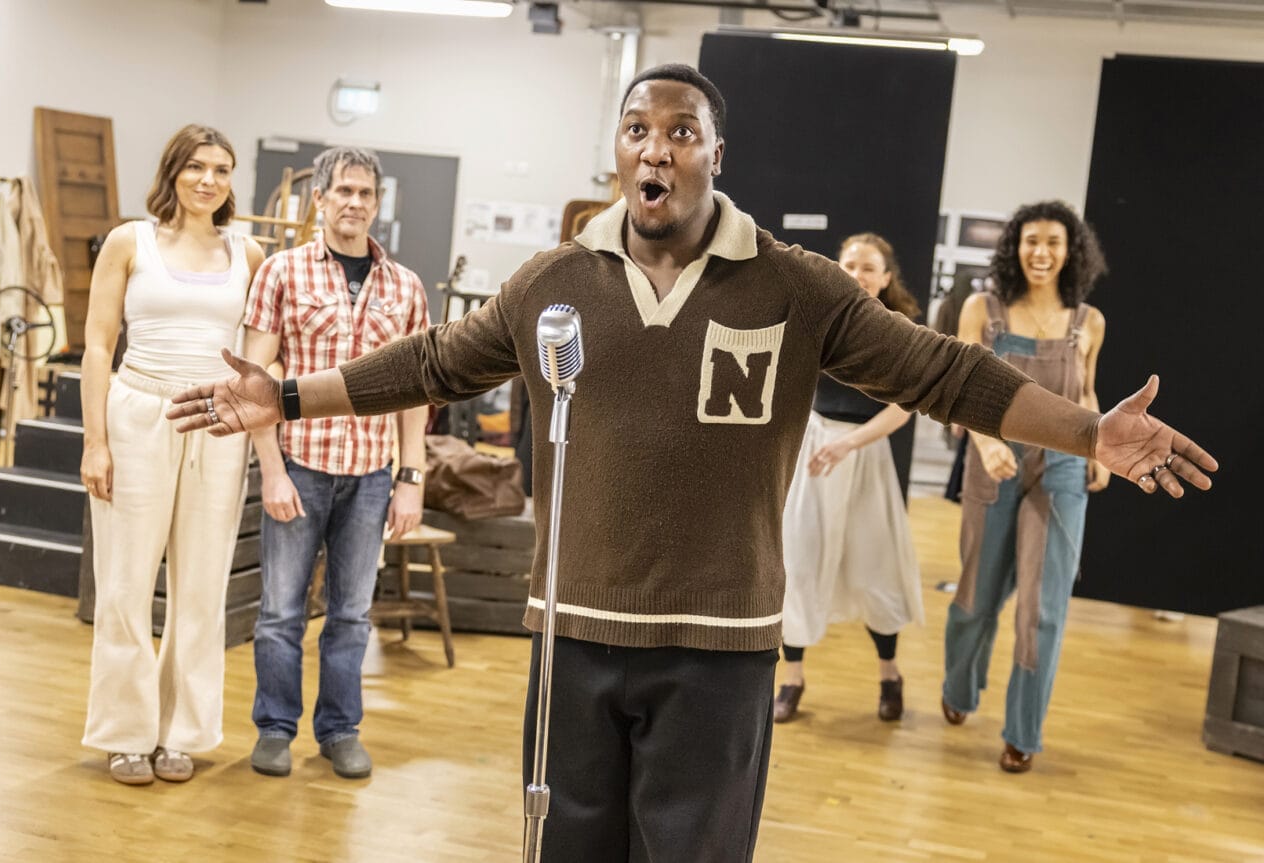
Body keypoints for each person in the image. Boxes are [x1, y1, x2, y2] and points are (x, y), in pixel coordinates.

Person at [168, 67, 1215, 860]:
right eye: (635, 130)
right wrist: (290, 393)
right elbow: (436, 358)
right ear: (615, 155)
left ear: (716, 154)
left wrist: (1085, 432)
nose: (654, 147)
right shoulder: (554, 281)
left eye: (680, 132)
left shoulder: (795, 288)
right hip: (572, 632)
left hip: (718, 646)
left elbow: (947, 372)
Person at [80, 125, 263, 785]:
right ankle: (125, 733)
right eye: (195, 167)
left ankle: (181, 729)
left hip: (216, 428)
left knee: (201, 584)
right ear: (173, 172)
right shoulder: (130, 241)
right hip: (137, 416)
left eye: (220, 168)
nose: (208, 180)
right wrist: (95, 441)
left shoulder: (249, 253)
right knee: (126, 583)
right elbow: (99, 345)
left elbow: (256, 358)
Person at [240, 147, 430, 781]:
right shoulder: (280, 273)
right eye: (343, 191)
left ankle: (340, 729)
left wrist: (411, 478)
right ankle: (274, 728)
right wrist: (270, 469)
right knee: (280, 613)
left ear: (378, 204)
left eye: (366, 194)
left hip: (373, 475)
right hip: (299, 464)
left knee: (351, 614)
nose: (355, 203)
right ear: (319, 199)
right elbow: (255, 380)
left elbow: (415, 390)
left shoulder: (405, 287)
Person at [941, 200, 1109, 774]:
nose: (1041, 253)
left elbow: (1085, 394)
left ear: (1071, 252)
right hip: (993, 459)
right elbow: (960, 390)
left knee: (1044, 608)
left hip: (1061, 466)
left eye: (1053, 243)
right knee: (976, 593)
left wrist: (1100, 444)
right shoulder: (981, 309)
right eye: (1030, 241)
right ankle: (959, 688)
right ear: (1015, 246)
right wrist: (985, 443)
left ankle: (1023, 731)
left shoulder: (1088, 322)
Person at [774, 233, 925, 724]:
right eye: (850, 264)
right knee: (797, 564)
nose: (857, 273)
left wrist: (848, 445)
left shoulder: (899, 331)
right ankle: (791, 679)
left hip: (864, 458)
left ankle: (890, 674)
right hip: (815, 456)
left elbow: (903, 410)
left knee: (875, 567)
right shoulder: (815, 325)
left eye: (868, 267)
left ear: (885, 279)